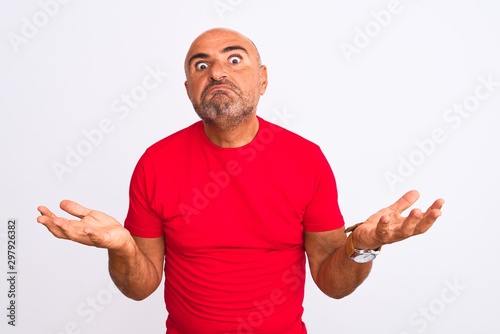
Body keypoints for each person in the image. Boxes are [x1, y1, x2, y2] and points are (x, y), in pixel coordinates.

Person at [37, 28, 444, 333]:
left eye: (234, 60)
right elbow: (140, 287)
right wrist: (123, 247)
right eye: (201, 65)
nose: (217, 72)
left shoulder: (306, 160)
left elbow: (332, 283)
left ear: (262, 79)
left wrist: (363, 246)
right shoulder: (155, 163)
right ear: (188, 89)